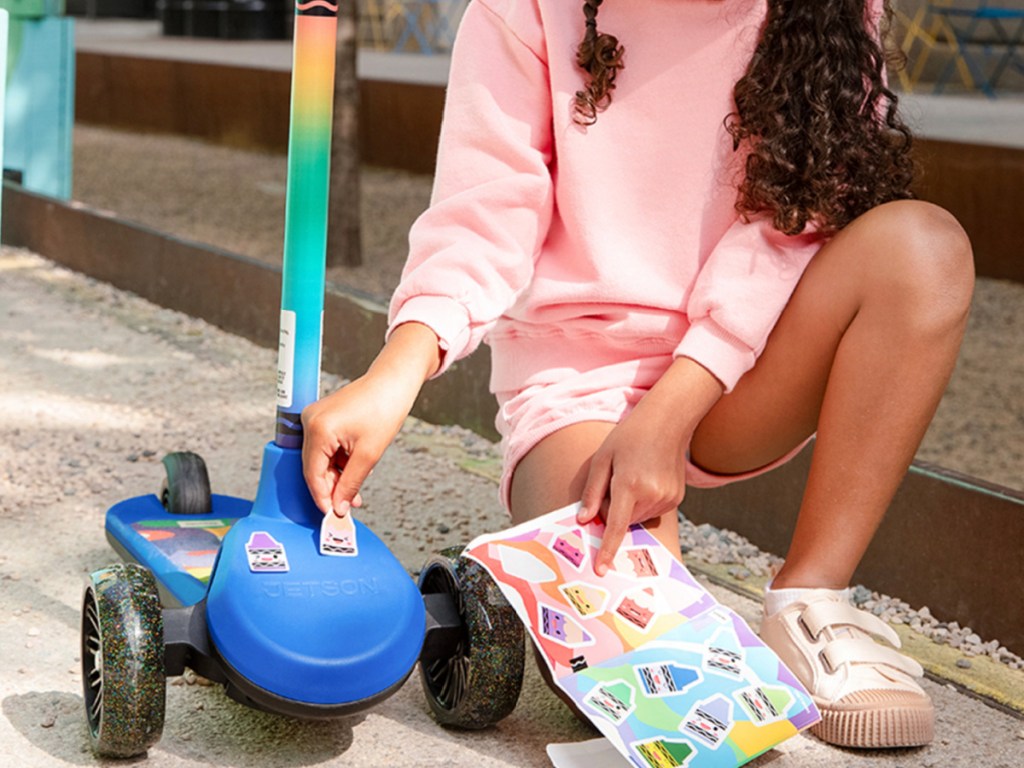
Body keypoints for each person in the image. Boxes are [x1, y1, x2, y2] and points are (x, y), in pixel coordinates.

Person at [302, 0, 974, 750]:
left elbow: (805, 210)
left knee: (922, 250)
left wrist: (676, 404)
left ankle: (812, 598)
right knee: (659, 698)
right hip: (580, 386)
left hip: (743, 367)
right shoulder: (522, 9)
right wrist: (397, 373)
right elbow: (487, 213)